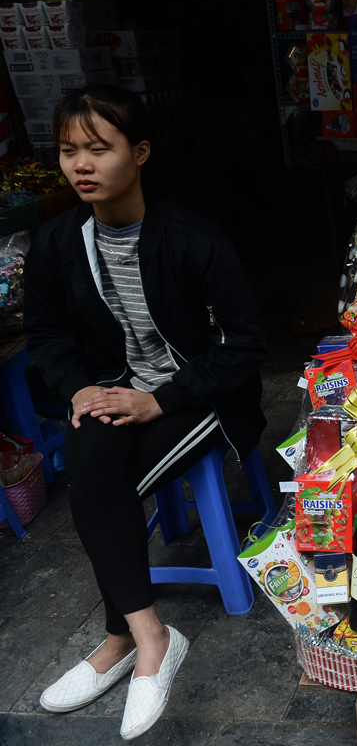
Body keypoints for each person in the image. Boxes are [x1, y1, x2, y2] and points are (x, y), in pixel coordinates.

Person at [24, 85, 267, 740]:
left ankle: (119, 640)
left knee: (101, 481)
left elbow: (246, 344)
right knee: (88, 450)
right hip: (113, 387)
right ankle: (148, 634)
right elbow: (45, 335)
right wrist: (77, 388)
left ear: (140, 153)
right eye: (69, 151)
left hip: (203, 394)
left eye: (98, 149)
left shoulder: (194, 240)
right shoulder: (55, 244)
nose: (81, 164)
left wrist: (161, 397)